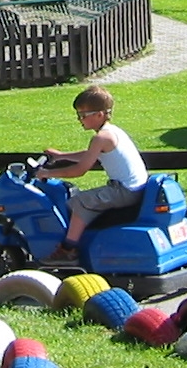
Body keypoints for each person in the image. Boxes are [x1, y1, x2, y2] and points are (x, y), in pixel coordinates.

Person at [36, 85, 149, 261]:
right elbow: (90, 155)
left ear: (100, 114)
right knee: (87, 201)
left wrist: (46, 173)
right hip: (133, 188)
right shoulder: (112, 132)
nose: (80, 119)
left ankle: (68, 250)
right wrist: (61, 156)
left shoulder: (101, 138)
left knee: (79, 202)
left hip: (125, 191)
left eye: (83, 115)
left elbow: (80, 170)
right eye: (78, 115)